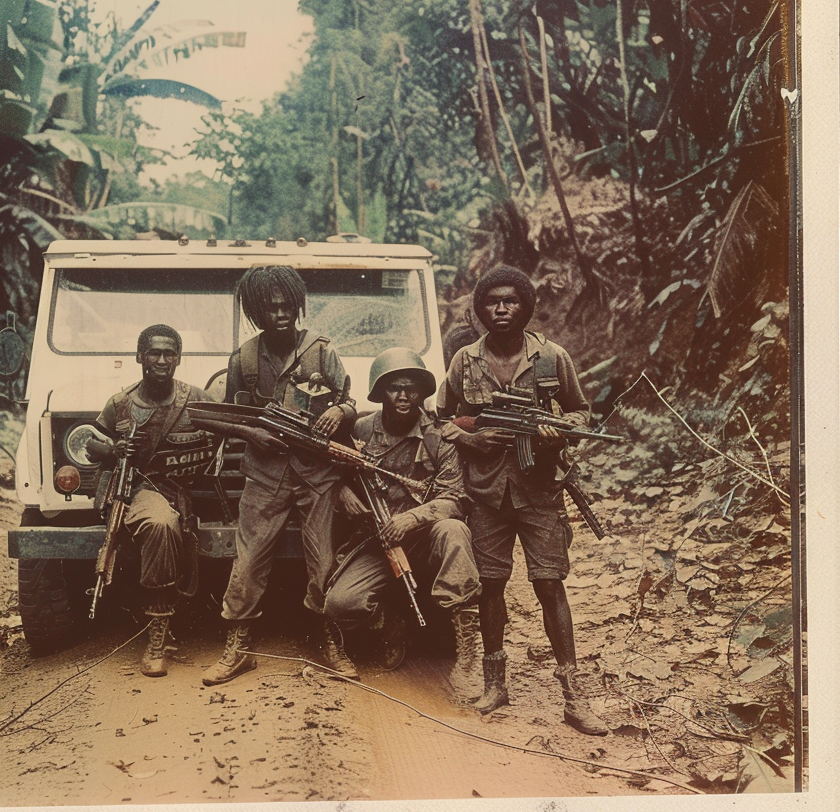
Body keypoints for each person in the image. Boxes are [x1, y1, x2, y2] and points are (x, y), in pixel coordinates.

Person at [438, 265, 608, 736]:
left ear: (526, 306)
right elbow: (444, 419)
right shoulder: (464, 362)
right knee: (491, 584)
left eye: (511, 300)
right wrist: (473, 439)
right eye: (492, 301)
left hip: (539, 490)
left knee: (549, 583)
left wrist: (557, 433)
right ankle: (496, 685)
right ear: (480, 310)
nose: (501, 308)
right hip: (487, 493)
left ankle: (574, 695)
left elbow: (579, 410)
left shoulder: (552, 357)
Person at [201, 265, 359, 686]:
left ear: (297, 304)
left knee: (324, 559)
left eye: (287, 305)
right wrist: (252, 432)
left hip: (315, 474)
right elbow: (227, 417)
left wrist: (337, 412)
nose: (280, 313)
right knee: (248, 560)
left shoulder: (321, 352)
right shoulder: (245, 359)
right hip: (265, 474)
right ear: (256, 312)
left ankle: (331, 640)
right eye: (270, 308)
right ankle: (238, 647)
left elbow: (350, 403)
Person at [322, 348, 484, 701]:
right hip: (376, 541)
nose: (404, 395)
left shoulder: (440, 436)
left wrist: (411, 518)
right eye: (394, 388)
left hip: (425, 538)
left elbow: (455, 497)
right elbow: (329, 473)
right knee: (341, 604)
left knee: (455, 531)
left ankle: (469, 648)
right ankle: (390, 622)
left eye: (411, 388)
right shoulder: (360, 430)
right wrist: (341, 492)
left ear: (422, 393)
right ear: (380, 393)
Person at [85, 324, 213, 678]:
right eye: (154, 353)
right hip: (143, 491)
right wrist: (113, 449)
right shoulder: (121, 404)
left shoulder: (197, 398)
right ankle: (158, 631)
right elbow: (90, 444)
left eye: (169, 354)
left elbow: (229, 429)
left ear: (179, 358)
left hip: (190, 491)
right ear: (140, 357)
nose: (161, 360)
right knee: (159, 524)